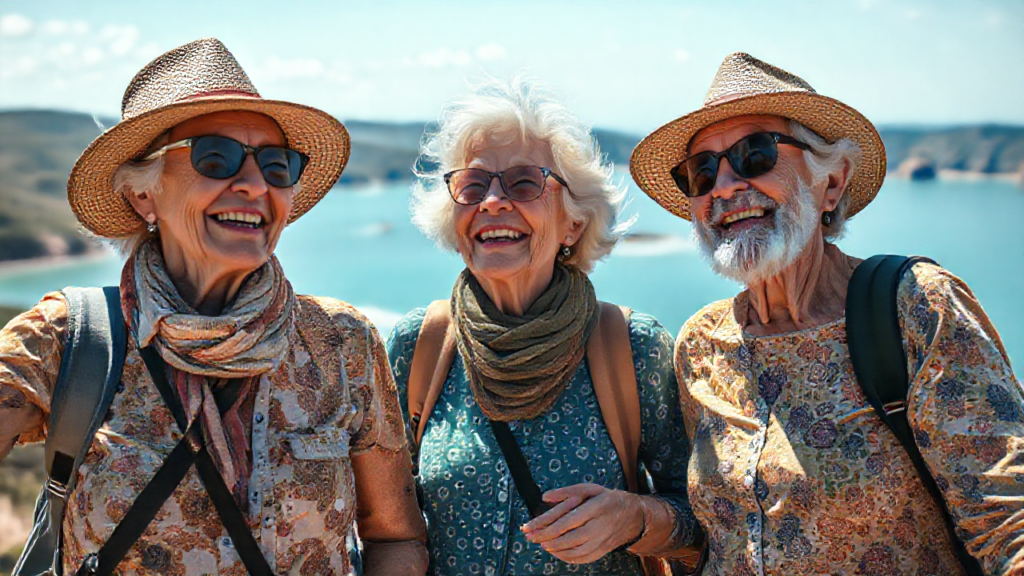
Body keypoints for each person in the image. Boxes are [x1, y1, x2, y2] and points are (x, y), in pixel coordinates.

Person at [0, 38, 427, 575]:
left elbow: (395, 539)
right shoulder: (66, 340)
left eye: (276, 165)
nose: (252, 185)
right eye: (215, 158)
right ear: (143, 195)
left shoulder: (342, 342)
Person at [631, 52, 1024, 575]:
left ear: (831, 183)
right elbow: (713, 532)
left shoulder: (917, 307)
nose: (723, 186)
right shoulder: (701, 344)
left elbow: (1009, 526)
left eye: (755, 153)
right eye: (701, 171)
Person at [386, 78, 703, 576]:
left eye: (524, 183)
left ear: (572, 223)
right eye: (472, 186)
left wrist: (635, 518)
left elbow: (710, 521)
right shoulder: (418, 345)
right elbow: (387, 528)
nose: (492, 201)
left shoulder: (634, 347)